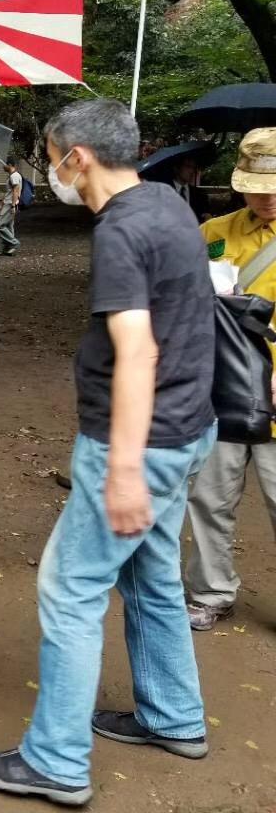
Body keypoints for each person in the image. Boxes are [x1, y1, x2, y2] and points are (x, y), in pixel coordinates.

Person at [0, 99, 217, 807]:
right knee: (151, 579)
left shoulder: (122, 234)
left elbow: (138, 350)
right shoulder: (166, 203)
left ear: (76, 156)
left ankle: (56, 761)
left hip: (140, 443)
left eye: (51, 156)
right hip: (187, 430)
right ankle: (174, 717)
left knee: (70, 589)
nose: (50, 172)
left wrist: (126, 469)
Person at [185, 128, 276, 631]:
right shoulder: (214, 232)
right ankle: (211, 591)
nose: (267, 196)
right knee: (209, 497)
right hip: (222, 390)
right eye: (257, 186)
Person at [0, 156, 24, 256]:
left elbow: (16, 191)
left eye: (4, 165)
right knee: (8, 226)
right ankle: (7, 249)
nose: (3, 167)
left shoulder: (14, 176)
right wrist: (1, 204)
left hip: (10, 204)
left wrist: (12, 206)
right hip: (8, 203)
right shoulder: (12, 176)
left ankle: (14, 243)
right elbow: (9, 192)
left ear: (10, 165)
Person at [170, 155, 211, 224]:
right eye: (188, 166)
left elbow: (205, 217)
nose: (192, 171)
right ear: (176, 168)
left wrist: (208, 217)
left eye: (193, 167)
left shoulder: (200, 194)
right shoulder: (163, 193)